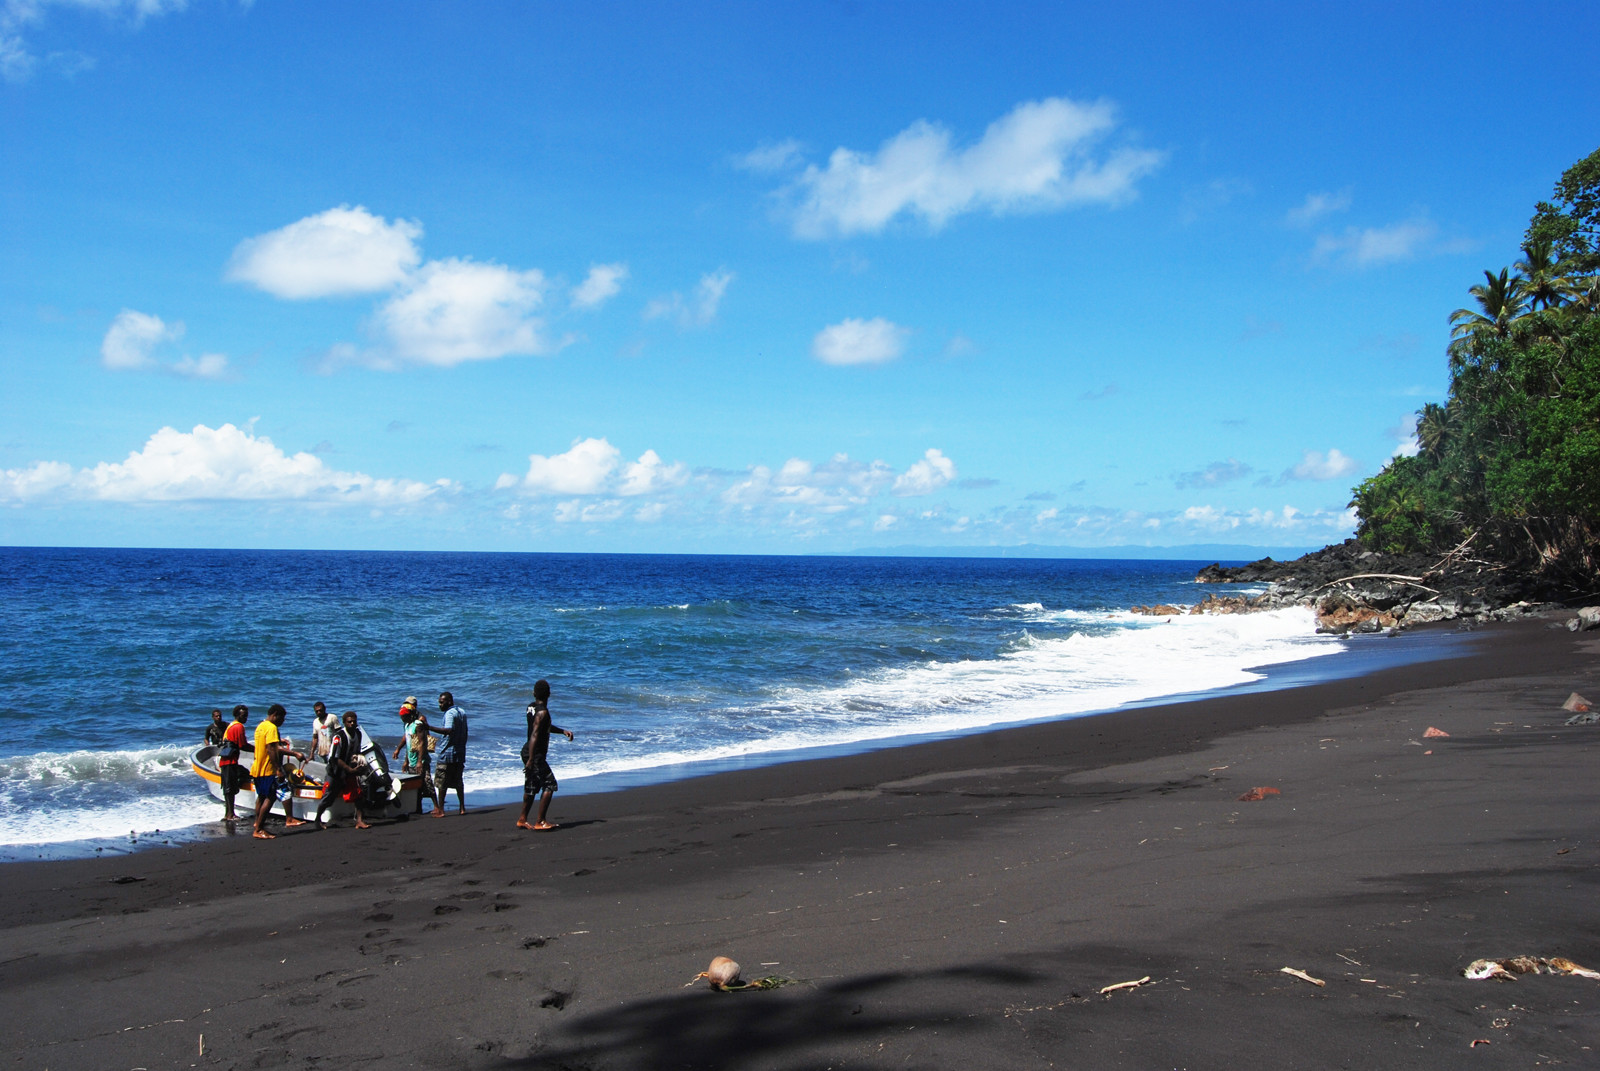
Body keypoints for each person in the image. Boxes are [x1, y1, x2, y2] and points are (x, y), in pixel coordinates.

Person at [517, 679, 574, 831]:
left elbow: (542, 726)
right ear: (549, 694)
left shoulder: (531, 707)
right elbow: (535, 734)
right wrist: (531, 759)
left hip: (527, 751)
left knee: (531, 785)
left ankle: (522, 819)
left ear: (534, 693)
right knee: (550, 784)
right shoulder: (543, 712)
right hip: (534, 755)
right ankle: (540, 821)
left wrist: (562, 731)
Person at [251, 704, 307, 840]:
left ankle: (257, 823)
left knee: (262, 797)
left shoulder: (261, 726)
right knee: (270, 797)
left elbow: (267, 745)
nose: (283, 721)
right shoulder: (271, 728)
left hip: (257, 768)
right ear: (275, 715)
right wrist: (278, 769)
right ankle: (259, 829)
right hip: (268, 769)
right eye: (282, 718)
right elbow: (272, 749)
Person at [315, 711, 371, 830]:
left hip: (349, 770)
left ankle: (360, 821)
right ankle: (317, 819)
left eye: (354, 721)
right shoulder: (339, 737)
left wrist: (358, 763)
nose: (352, 723)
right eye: (349, 722)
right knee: (328, 798)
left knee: (358, 794)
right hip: (335, 771)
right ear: (344, 723)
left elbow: (356, 751)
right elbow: (335, 758)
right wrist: (348, 769)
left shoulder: (358, 734)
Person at [391, 696, 432, 814]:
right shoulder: (407, 721)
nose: (404, 706)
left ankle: (436, 806)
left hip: (420, 754)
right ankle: (417, 808)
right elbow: (407, 738)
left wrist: (420, 759)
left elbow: (423, 740)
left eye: (407, 704)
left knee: (426, 781)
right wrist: (399, 750)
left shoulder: (419, 719)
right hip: (412, 754)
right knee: (416, 783)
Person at [432, 691, 468, 816]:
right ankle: (462, 807)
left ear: (449, 702)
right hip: (459, 752)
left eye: (441, 702)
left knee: (442, 782)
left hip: (447, 752)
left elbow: (448, 730)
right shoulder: (462, 712)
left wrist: (428, 727)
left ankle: (441, 809)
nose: (439, 705)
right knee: (458, 781)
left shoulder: (449, 714)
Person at [218, 704, 253, 823]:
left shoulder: (231, 725)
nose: (245, 718)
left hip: (226, 761)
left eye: (246, 716)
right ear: (237, 715)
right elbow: (243, 745)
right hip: (229, 761)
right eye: (244, 716)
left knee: (230, 786)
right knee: (229, 788)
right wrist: (257, 749)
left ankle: (229, 813)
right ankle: (229, 814)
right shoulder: (238, 727)